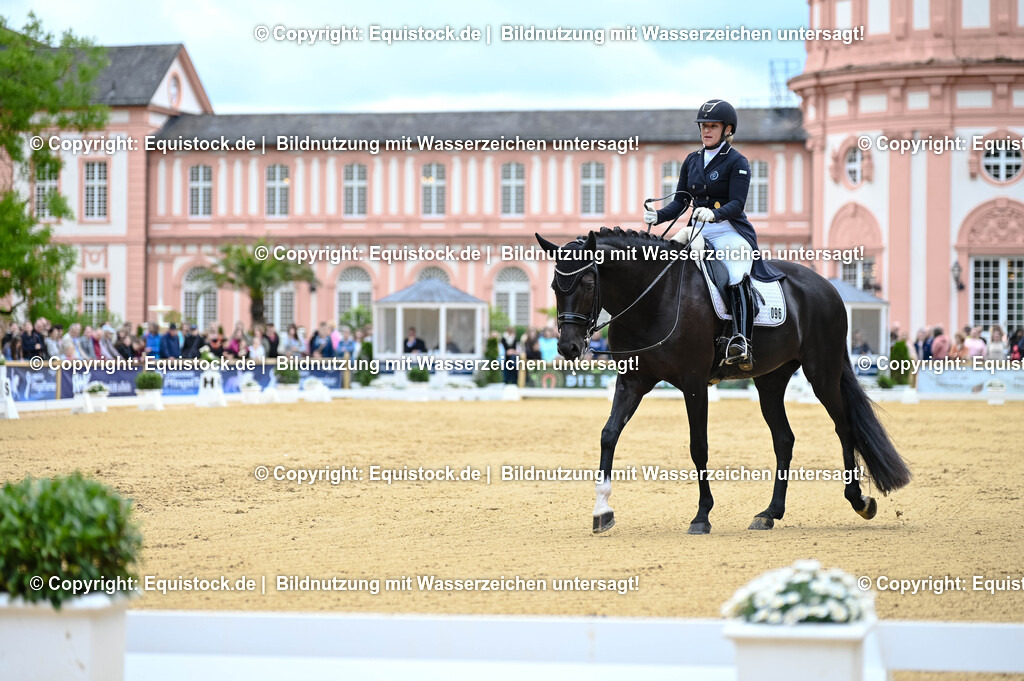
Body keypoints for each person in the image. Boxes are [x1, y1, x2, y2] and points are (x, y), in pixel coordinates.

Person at [644, 99, 783, 371]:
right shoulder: (692, 160)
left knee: (735, 274)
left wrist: (715, 214)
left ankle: (742, 340)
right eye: (704, 126)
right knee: (665, 265)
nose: (706, 131)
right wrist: (658, 216)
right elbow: (681, 202)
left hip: (729, 230)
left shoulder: (737, 161)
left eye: (712, 126)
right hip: (696, 229)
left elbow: (737, 204)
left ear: (727, 129)